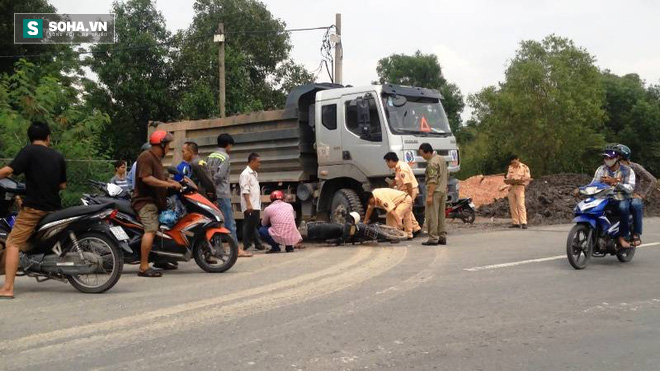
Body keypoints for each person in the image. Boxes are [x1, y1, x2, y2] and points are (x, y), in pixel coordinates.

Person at [0, 122, 66, 299]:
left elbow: (9, 170)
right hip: (54, 209)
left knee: (12, 243)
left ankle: (7, 288)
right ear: (48, 137)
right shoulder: (57, 156)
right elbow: (63, 185)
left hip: (33, 210)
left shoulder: (28, 151)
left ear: (30, 138)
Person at [132, 130, 183, 277]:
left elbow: (164, 178)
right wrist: (166, 185)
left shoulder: (157, 159)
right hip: (145, 202)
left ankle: (160, 259)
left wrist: (176, 183)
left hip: (157, 202)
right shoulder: (146, 157)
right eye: (168, 145)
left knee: (164, 229)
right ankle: (143, 267)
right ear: (161, 144)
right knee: (151, 230)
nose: (169, 148)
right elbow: (146, 178)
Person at [207, 134, 252, 257]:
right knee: (229, 223)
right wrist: (214, 184)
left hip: (211, 194)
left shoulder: (210, 156)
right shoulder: (225, 157)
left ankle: (218, 250)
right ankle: (236, 249)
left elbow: (207, 174)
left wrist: (210, 187)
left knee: (215, 223)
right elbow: (220, 176)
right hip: (222, 193)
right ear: (228, 145)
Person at [592, 144, 636, 248]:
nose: (607, 159)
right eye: (605, 157)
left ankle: (621, 236)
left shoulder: (628, 170)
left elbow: (630, 188)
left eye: (609, 157)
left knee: (623, 207)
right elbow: (593, 183)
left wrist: (615, 183)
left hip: (621, 198)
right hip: (603, 198)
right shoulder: (601, 169)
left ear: (618, 158)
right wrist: (581, 189)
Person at [616, 144, 656, 246]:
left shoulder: (635, 167)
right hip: (617, 194)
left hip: (634, 195)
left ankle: (636, 233)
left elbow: (652, 180)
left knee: (636, 205)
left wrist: (643, 195)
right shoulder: (611, 167)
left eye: (616, 155)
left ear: (621, 156)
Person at [384, 152, 422, 236]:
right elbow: (399, 179)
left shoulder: (402, 169)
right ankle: (415, 228)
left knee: (406, 212)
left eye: (387, 162)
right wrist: (393, 183)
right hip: (404, 191)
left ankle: (409, 232)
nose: (386, 164)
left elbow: (409, 184)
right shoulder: (398, 167)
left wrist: (410, 197)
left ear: (391, 161)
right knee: (408, 211)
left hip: (409, 190)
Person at [418, 143, 448, 246]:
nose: (422, 157)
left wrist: (430, 195)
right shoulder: (441, 159)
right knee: (441, 215)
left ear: (427, 152)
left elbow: (432, 180)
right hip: (443, 191)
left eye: (422, 154)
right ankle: (442, 236)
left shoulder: (432, 163)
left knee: (431, 215)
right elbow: (446, 173)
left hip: (434, 192)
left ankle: (433, 238)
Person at [240, 153, 265, 252]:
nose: (259, 164)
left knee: (254, 224)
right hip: (250, 204)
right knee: (248, 224)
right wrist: (248, 204)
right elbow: (245, 190)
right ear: (252, 161)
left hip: (255, 204)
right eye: (258, 162)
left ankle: (258, 244)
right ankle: (247, 244)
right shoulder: (245, 174)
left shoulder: (254, 173)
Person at [504, 155, 532, 229]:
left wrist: (521, 179)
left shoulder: (524, 167)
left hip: (520, 187)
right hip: (511, 187)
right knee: (513, 206)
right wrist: (508, 182)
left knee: (520, 205)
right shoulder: (510, 168)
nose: (514, 164)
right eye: (512, 163)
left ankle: (523, 222)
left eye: (515, 162)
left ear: (518, 160)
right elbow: (508, 177)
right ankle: (515, 222)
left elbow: (528, 177)